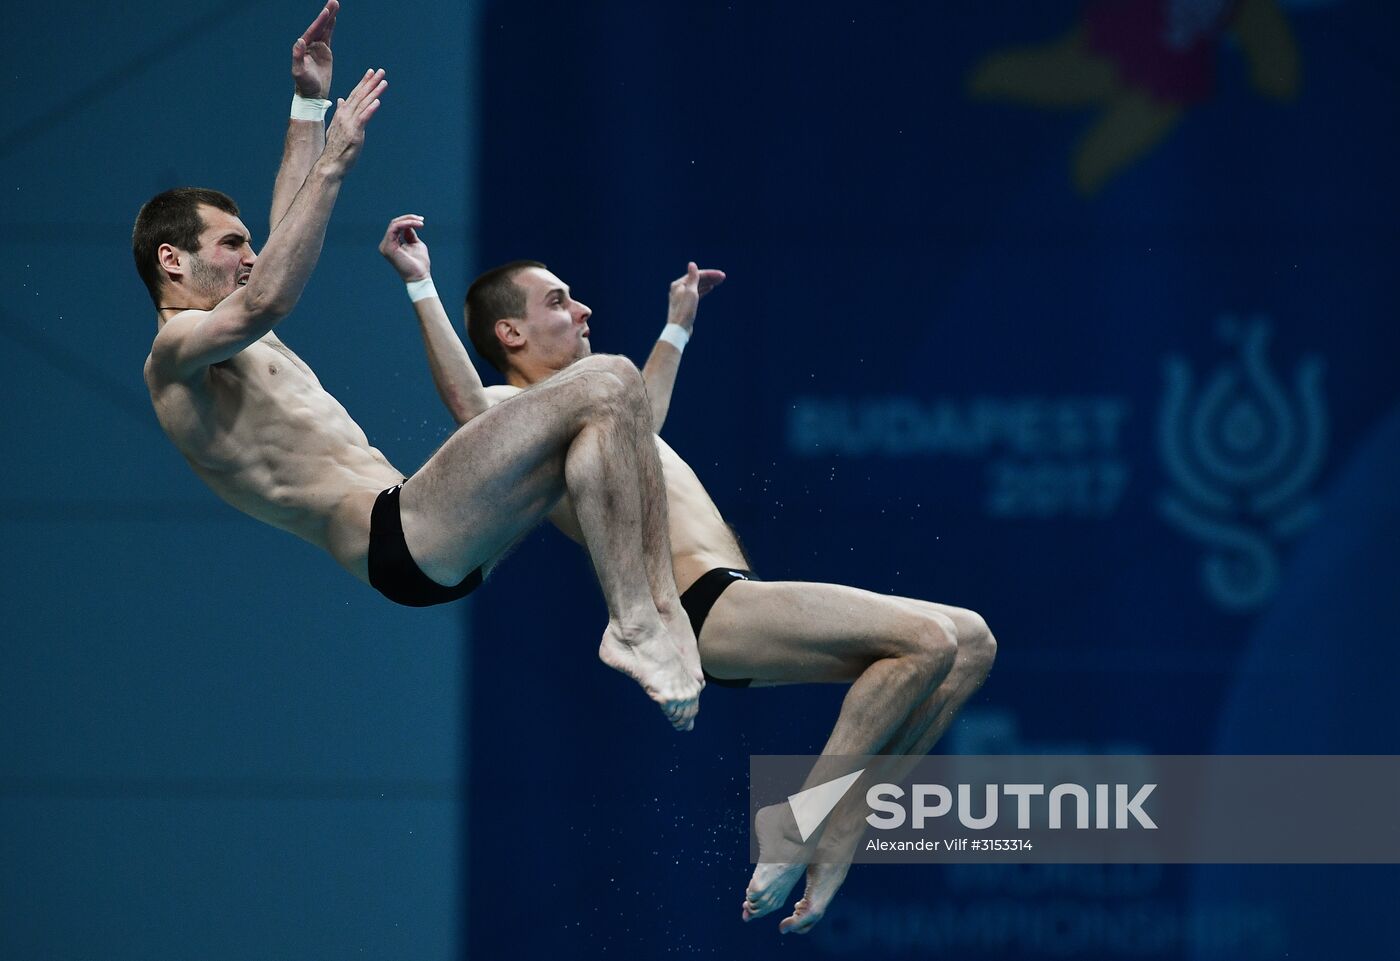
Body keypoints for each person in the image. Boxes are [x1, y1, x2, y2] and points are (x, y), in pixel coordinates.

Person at [381, 215, 999, 934]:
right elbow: (465, 404)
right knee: (923, 640)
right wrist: (420, 281)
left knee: (972, 642)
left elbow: (646, 412)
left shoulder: (604, 419)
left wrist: (676, 326)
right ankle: (802, 822)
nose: (581, 309)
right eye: (558, 300)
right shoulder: (513, 413)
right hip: (700, 608)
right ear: (510, 335)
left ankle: (841, 824)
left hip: (734, 596)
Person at [134, 2, 702, 731]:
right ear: (172, 260)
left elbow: (278, 253)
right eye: (230, 245)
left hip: (427, 539)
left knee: (596, 438)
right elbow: (270, 293)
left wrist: (308, 100)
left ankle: (656, 614)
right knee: (609, 378)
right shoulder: (174, 353)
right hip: (397, 538)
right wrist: (336, 159)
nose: (249, 256)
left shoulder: (227, 332)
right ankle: (637, 620)